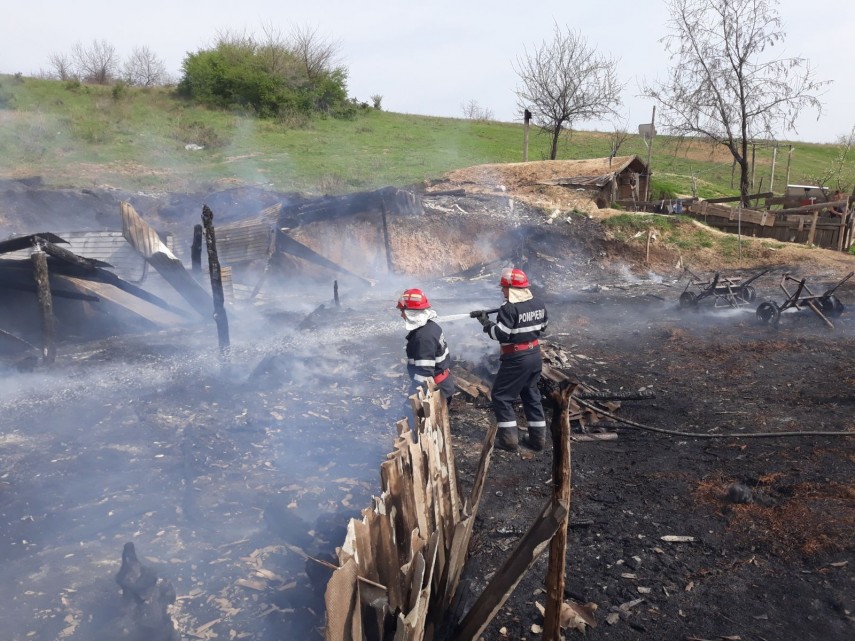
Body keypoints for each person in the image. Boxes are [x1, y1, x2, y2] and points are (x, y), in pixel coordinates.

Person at [474, 268, 548, 452]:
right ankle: (538, 440)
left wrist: (485, 323)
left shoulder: (509, 308)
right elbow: (543, 326)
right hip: (534, 355)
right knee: (531, 394)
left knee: (501, 396)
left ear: (511, 289)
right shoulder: (538, 303)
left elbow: (501, 335)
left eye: (504, 288)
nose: (502, 291)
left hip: (517, 358)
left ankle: (509, 441)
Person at [396, 288, 455, 407]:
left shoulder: (423, 338)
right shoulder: (431, 327)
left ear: (411, 313)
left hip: (435, 391)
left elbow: (424, 376)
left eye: (403, 310)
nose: (401, 315)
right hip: (442, 385)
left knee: (413, 417)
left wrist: (411, 401)